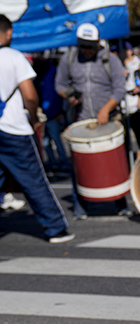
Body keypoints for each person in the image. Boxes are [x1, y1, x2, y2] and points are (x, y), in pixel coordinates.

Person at [0, 15, 73, 243]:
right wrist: (34, 118)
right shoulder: (14, 57)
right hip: (13, 127)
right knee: (33, 178)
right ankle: (55, 228)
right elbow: (30, 96)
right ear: (9, 32)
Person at [55, 22, 129, 219]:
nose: (86, 50)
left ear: (98, 44)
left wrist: (106, 109)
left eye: (90, 46)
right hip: (80, 120)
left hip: (108, 119)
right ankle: (80, 204)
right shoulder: (69, 59)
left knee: (113, 160)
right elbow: (59, 84)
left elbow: (119, 88)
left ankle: (120, 201)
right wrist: (68, 95)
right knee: (79, 164)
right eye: (83, 46)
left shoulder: (110, 60)